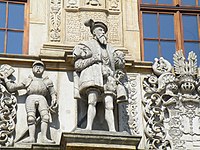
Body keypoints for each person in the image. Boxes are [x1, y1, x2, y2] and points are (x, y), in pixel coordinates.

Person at [73, 19, 126, 132]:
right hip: (93, 78)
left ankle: (112, 129)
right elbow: (77, 65)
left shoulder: (110, 49)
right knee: (91, 101)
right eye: (100, 30)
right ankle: (88, 127)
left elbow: (119, 64)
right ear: (94, 33)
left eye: (104, 31)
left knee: (109, 104)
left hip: (109, 79)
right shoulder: (86, 46)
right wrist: (93, 59)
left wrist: (120, 60)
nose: (103, 33)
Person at [3, 61, 57, 143]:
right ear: (32, 69)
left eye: (40, 67)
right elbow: (12, 88)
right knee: (31, 118)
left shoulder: (47, 81)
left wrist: (54, 100)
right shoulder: (28, 80)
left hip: (42, 98)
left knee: (45, 117)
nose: (38, 68)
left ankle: (44, 137)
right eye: (36, 67)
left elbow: (53, 93)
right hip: (30, 98)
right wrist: (5, 79)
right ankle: (31, 137)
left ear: (43, 69)